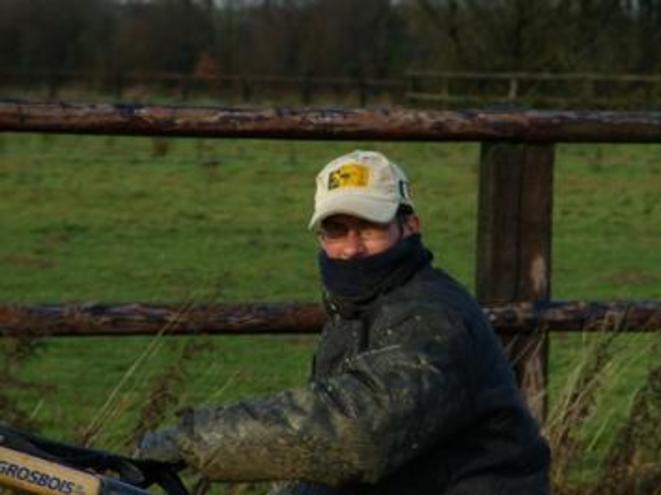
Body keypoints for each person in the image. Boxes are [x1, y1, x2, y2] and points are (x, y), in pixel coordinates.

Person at [135, 150, 551, 494]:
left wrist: (192, 440)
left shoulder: (433, 318)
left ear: (411, 226)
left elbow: (355, 431)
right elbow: (332, 465)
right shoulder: (356, 310)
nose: (351, 249)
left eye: (369, 227)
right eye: (336, 230)